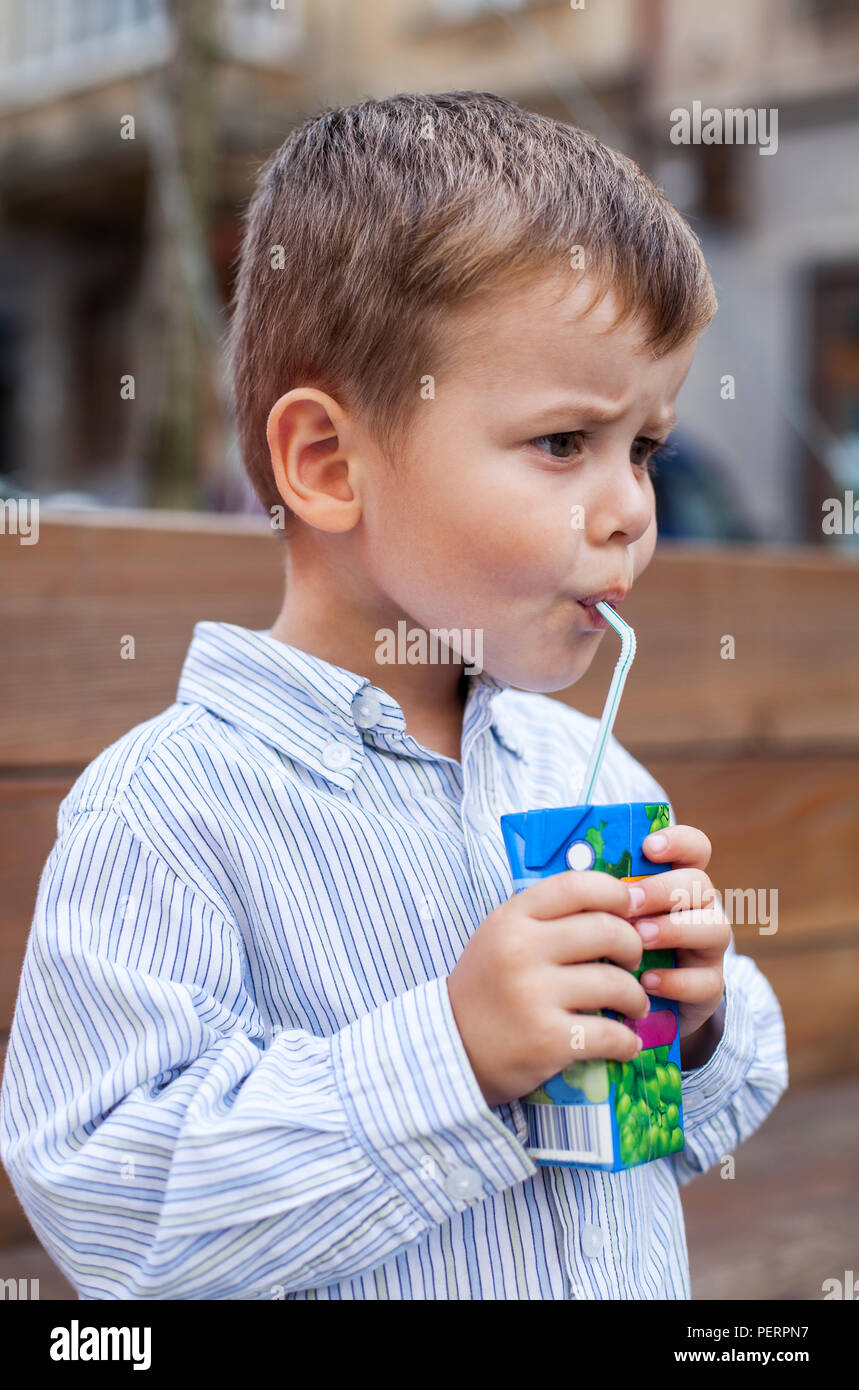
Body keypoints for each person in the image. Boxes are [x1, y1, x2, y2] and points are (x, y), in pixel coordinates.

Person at [0, 91, 787, 1300]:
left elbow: (678, 1138)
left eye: (646, 448)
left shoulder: (591, 776)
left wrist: (703, 1023)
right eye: (564, 441)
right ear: (327, 463)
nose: (632, 506)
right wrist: (450, 1057)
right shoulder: (170, 811)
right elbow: (112, 1208)